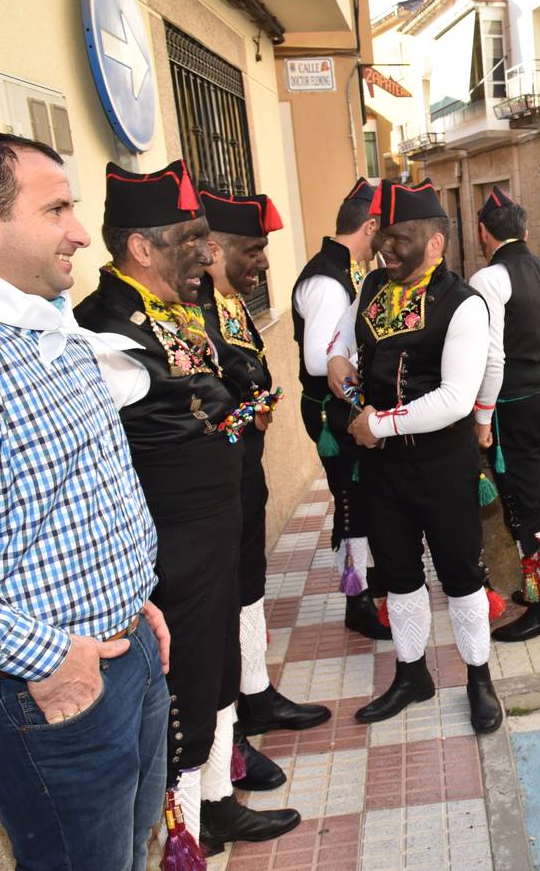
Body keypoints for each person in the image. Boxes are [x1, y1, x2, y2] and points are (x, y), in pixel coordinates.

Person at [0, 130, 169, 870]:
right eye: (57, 210)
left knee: (131, 854)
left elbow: (75, 492)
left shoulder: (44, 324)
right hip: (43, 692)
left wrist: (133, 599)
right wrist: (53, 657)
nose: (81, 232)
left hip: (125, 650)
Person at [76, 160, 300, 854]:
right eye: (190, 238)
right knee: (187, 694)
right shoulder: (106, 328)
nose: (208, 253)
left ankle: (218, 799)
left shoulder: (172, 311)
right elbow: (194, 412)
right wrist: (221, 405)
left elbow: (223, 393)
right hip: (170, 545)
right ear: (141, 247)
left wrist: (222, 402)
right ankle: (187, 837)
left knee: (219, 671)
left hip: (215, 527)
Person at [326, 179, 502, 733]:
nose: (387, 248)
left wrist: (377, 422)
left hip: (441, 465)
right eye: (384, 237)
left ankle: (479, 678)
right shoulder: (373, 286)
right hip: (381, 468)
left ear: (436, 243)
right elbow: (339, 346)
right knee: (398, 575)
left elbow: (454, 398)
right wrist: (342, 372)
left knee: (461, 575)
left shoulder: (464, 303)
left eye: (401, 238)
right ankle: (412, 674)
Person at [197, 187, 331, 778]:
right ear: (213, 248)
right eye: (252, 250)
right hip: (213, 483)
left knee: (250, 587)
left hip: (244, 473)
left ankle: (256, 693)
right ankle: (233, 724)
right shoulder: (192, 310)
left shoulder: (229, 302)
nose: (264, 263)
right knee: (227, 598)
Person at [470, 186, 540, 642]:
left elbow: (493, 357)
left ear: (483, 234)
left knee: (524, 504)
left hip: (513, 405)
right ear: (526, 231)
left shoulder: (488, 279)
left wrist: (481, 415)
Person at [291, 178, 391, 641]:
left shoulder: (348, 268)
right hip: (334, 414)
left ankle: (372, 583)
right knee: (351, 503)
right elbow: (318, 358)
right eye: (386, 230)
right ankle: (357, 600)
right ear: (370, 225)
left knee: (367, 498)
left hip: (347, 406)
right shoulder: (327, 279)